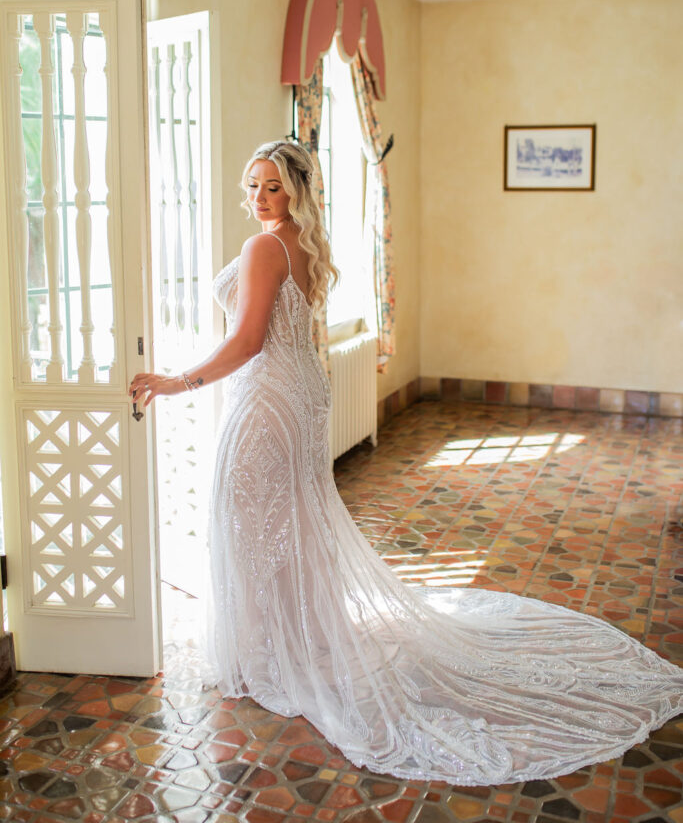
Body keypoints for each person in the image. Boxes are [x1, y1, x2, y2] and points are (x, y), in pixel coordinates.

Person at [130, 139, 683, 785]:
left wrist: (176, 382)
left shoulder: (264, 246)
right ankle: (286, 639)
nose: (257, 198)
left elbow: (248, 340)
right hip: (302, 394)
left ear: (295, 192)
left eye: (271, 188)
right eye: (250, 185)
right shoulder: (303, 243)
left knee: (246, 519)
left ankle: (269, 652)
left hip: (267, 402)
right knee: (291, 519)